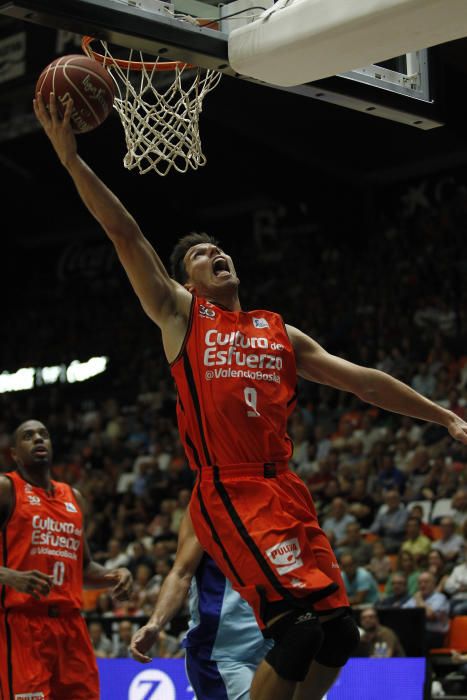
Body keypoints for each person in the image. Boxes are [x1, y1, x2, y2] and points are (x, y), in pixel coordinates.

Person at [34, 93, 467, 700]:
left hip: (284, 486)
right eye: (202, 255)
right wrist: (72, 159)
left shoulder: (276, 329)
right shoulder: (181, 317)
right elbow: (123, 232)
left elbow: (362, 379)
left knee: (339, 632)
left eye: (219, 249)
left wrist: (443, 414)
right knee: (298, 632)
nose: (218, 255)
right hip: (229, 487)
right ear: (187, 280)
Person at [0, 419, 133, 700]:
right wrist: (10, 576)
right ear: (14, 453)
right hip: (23, 625)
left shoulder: (74, 497)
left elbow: (83, 568)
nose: (38, 439)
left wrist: (114, 575)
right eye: (28, 436)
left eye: (44, 434)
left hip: (72, 627)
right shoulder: (6, 489)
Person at [131, 510, 274, 699]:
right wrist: (155, 623)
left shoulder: (280, 499)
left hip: (274, 642)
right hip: (223, 655)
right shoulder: (204, 507)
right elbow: (181, 573)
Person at [403, 571, 450, 650]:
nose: (422, 585)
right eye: (420, 583)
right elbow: (402, 613)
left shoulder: (440, 598)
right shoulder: (414, 599)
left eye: (426, 582)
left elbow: (430, 615)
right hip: (418, 634)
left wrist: (419, 600)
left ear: (433, 584)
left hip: (435, 635)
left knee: (415, 640)